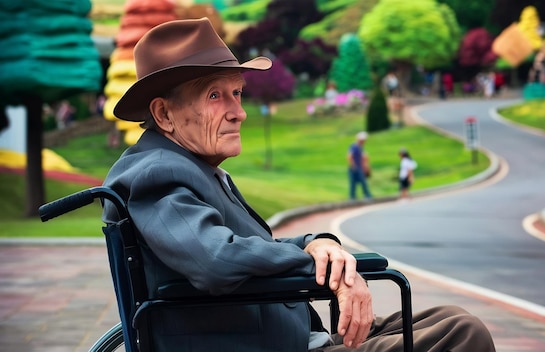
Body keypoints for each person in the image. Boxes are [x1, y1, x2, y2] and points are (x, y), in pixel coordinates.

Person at [102, 17, 496, 352]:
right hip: (269, 344)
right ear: (164, 114)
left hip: (291, 335)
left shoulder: (187, 166)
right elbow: (217, 261)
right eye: (216, 96)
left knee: (450, 318)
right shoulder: (156, 173)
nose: (238, 112)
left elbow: (238, 250)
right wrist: (318, 264)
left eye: (237, 93)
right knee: (463, 336)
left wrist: (316, 243)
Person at [347, 131, 372, 200]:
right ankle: (353, 197)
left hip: (359, 167)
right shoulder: (354, 146)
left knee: (361, 182)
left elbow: (363, 158)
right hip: (355, 167)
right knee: (354, 183)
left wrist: (365, 167)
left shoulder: (360, 148)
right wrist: (353, 165)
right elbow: (349, 156)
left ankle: (365, 195)